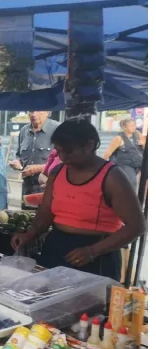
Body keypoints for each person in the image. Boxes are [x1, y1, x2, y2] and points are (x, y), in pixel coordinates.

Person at [11, 119, 145, 281]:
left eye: (69, 152)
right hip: (56, 247)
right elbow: (45, 213)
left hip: (98, 255)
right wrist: (30, 234)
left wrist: (93, 251)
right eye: (59, 151)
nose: (63, 157)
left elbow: (137, 226)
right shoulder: (57, 172)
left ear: (89, 145)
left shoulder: (112, 177)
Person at [9, 111, 60, 208]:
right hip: (27, 188)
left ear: (47, 112)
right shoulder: (24, 130)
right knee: (24, 216)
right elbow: (19, 155)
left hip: (47, 187)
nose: (34, 114)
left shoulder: (57, 129)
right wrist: (17, 162)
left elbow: (64, 162)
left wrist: (40, 168)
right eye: (31, 111)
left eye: (38, 110)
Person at [103, 118, 145, 189]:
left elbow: (145, 144)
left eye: (134, 125)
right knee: (132, 182)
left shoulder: (137, 133)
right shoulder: (119, 138)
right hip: (125, 164)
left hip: (138, 161)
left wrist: (143, 143)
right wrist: (102, 165)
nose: (134, 127)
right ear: (125, 127)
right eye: (131, 126)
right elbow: (109, 151)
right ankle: (130, 195)